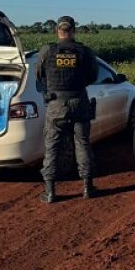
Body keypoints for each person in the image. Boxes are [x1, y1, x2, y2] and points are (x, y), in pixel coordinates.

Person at [36, 16, 100, 203]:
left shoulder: (47, 51)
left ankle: (50, 192)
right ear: (73, 31)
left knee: (52, 147)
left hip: (56, 105)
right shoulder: (84, 51)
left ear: (57, 30)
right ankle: (87, 188)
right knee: (83, 144)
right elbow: (93, 76)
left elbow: (40, 75)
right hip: (79, 101)